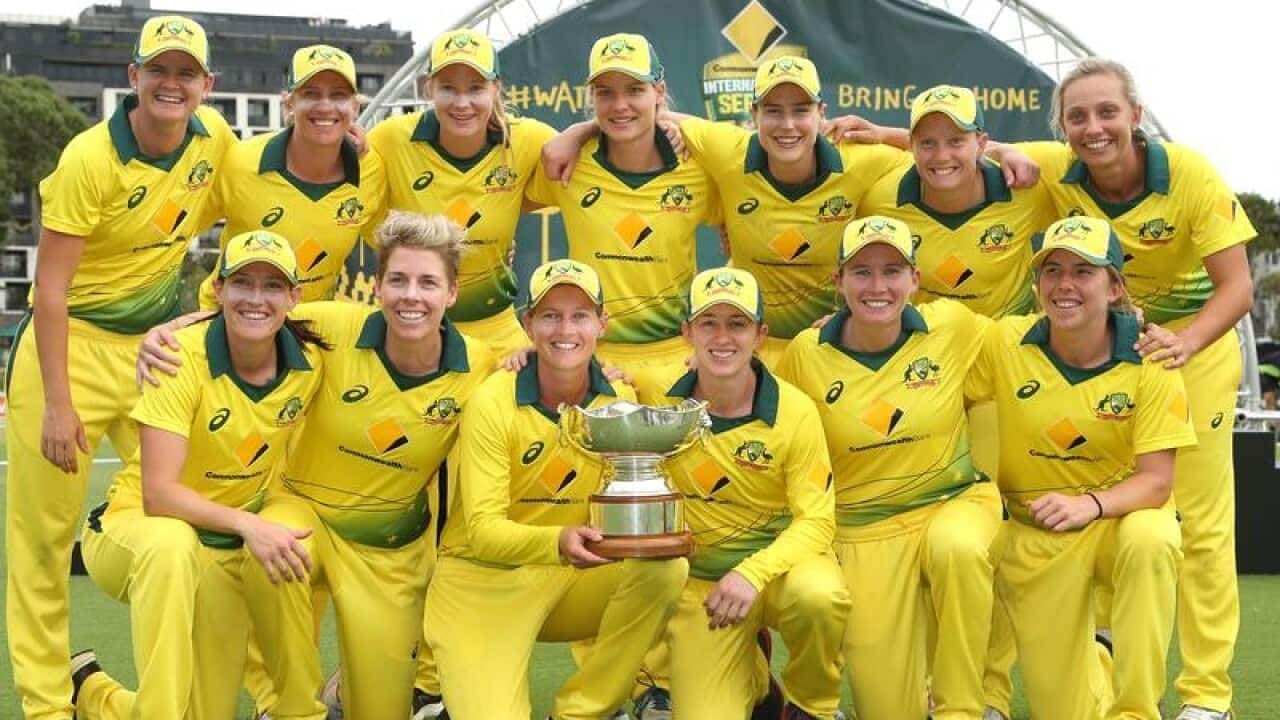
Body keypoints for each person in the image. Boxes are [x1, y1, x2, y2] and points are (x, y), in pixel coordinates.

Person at [1007, 60, 1257, 720]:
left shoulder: (1191, 173)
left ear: (1135, 115)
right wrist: (869, 132)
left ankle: (1207, 696)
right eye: (1078, 117)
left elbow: (1238, 288)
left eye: (1107, 112)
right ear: (1063, 129)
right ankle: (1108, 657)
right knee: (1111, 509)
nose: (1094, 128)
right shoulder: (1058, 168)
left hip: (1189, 354)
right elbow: (958, 146)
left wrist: (1186, 342)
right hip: (1108, 357)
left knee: (1197, 525)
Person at [4, 15, 236, 719]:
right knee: (43, 541)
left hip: (153, 353)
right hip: (66, 347)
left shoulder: (215, 142)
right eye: (157, 70)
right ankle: (48, 705)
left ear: (206, 85)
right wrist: (55, 404)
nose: (172, 83)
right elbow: (50, 289)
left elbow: (265, 199)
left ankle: (165, 700)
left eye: (185, 72)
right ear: (132, 78)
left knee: (188, 517)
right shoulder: (88, 158)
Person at [233, 212, 494, 720]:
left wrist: (596, 368)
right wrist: (171, 332)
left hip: (388, 554)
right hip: (304, 516)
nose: (410, 296)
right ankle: (291, 709)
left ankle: (344, 696)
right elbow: (247, 314)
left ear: (452, 293)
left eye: (427, 283)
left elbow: (543, 385)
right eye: (397, 280)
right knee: (270, 550)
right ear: (377, 287)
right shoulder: (331, 326)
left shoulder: (480, 366)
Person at [71, 231, 326, 719]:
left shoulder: (314, 352)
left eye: (273, 286)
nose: (256, 298)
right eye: (242, 283)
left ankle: (90, 693)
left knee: (205, 712)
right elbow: (160, 495)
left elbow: (401, 322)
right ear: (220, 290)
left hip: (218, 547)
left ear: (294, 297)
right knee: (172, 546)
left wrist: (519, 352)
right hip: (133, 529)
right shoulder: (177, 356)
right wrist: (251, 525)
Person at [424, 259, 688, 719]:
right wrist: (558, 539)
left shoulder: (618, 402)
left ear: (601, 325)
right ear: (527, 324)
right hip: (483, 580)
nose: (564, 329)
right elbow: (484, 531)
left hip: (571, 579)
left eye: (580, 315)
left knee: (666, 570)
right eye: (549, 315)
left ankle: (584, 711)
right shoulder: (492, 400)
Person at [966, 215, 1196, 720]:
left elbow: (1158, 482)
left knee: (1152, 540)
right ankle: (1099, 654)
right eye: (1052, 271)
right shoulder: (1005, 341)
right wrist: (845, 321)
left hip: (1118, 518)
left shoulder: (1151, 358)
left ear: (1114, 286)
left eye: (1083, 271)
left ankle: (1136, 708)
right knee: (1064, 710)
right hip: (1041, 534)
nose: (1064, 285)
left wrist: (1088, 505)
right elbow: (927, 354)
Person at [778, 216, 1002, 720]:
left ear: (915, 280)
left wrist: (1118, 320)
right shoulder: (804, 354)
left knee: (959, 550)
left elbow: (1030, 336)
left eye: (892, 271)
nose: (878, 286)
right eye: (861, 272)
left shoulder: (954, 326)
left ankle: (960, 708)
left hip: (953, 504)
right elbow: (770, 419)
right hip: (863, 531)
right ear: (837, 281)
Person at [642, 266, 847, 719]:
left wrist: (752, 574)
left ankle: (811, 706)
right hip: (705, 589)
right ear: (686, 333)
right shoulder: (657, 395)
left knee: (819, 598)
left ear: (760, 335)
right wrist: (523, 356)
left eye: (737, 324)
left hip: (778, 573)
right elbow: (584, 374)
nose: (722, 337)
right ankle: (756, 684)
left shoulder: (795, 411)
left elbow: (816, 520)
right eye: (708, 323)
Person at [526, 33, 717, 387]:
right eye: (605, 93)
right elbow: (499, 200)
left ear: (659, 92)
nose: (619, 105)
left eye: (634, 90)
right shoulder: (570, 163)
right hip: (590, 360)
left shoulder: (698, 166)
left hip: (678, 360)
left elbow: (748, 227)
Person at [368, 29, 557, 360]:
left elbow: (603, 152)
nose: (462, 103)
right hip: (411, 329)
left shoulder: (528, 141)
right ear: (429, 88)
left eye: (475, 88)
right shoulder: (390, 140)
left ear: (495, 88)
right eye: (448, 89)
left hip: (496, 332)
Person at [195, 43, 388, 308]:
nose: (325, 106)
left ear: (355, 107)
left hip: (310, 329)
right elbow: (178, 230)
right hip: (229, 320)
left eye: (339, 95)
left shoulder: (371, 170)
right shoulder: (240, 161)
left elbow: (392, 244)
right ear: (288, 103)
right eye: (311, 94)